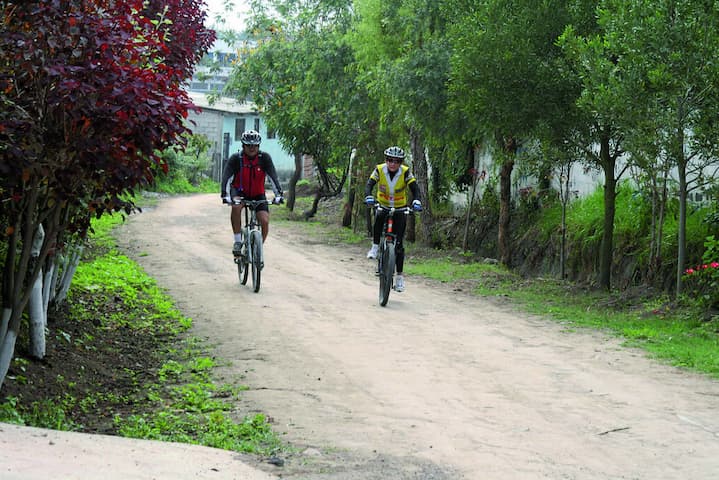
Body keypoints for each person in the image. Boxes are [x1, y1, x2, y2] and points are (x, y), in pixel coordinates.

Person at [364, 146, 422, 292]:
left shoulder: (405, 172)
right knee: (378, 218)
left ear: (400, 162)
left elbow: (415, 188)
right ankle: (375, 247)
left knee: (399, 245)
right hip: (382, 205)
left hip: (400, 208)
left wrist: (416, 201)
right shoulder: (379, 170)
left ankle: (400, 278)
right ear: (386, 160)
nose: (392, 163)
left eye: (396, 161)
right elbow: (369, 185)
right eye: (389, 160)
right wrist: (368, 196)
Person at [221, 129, 283, 256]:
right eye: (248, 145)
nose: (252, 148)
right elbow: (226, 178)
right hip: (239, 191)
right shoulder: (236, 159)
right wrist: (225, 195)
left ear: (258, 146)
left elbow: (273, 177)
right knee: (236, 207)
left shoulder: (264, 158)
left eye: (254, 145)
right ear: (243, 145)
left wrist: (279, 195)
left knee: (264, 221)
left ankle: (257, 248)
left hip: (258, 193)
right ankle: (238, 241)